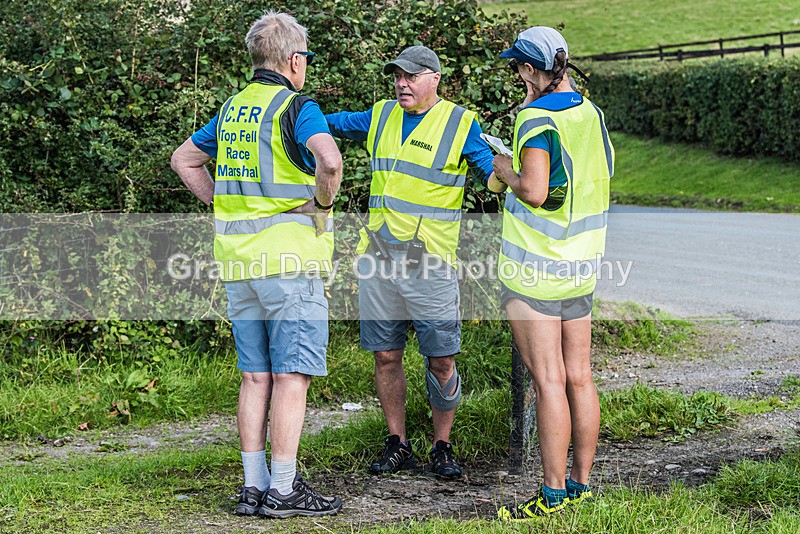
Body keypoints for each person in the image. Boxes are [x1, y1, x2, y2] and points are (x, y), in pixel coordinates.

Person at [170, 11, 343, 519]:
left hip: (238, 265)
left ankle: (254, 485)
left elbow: (184, 159)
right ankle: (284, 490)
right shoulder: (297, 107)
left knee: (255, 377)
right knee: (292, 376)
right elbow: (330, 162)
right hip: (290, 263)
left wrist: (223, 204)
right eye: (305, 58)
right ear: (294, 60)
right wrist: (323, 204)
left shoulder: (233, 109)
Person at [325, 46, 496, 479]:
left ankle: (443, 445)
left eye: (411, 76)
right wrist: (292, 115)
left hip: (430, 263)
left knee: (441, 359)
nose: (402, 84)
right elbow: (333, 124)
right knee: (386, 355)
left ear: (435, 78)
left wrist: (516, 175)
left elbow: (491, 174)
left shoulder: (460, 123)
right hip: (379, 258)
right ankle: (397, 443)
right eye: (397, 76)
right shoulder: (381, 115)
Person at [489, 27, 614, 519]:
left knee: (548, 381)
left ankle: (552, 495)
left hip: (535, 271)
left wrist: (504, 168)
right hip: (581, 265)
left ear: (530, 69)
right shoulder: (591, 113)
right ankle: (581, 485)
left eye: (519, 68)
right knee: (579, 377)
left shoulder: (534, 119)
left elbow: (536, 191)